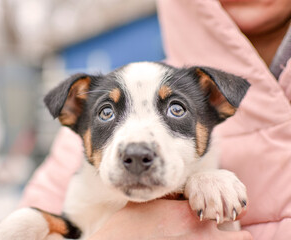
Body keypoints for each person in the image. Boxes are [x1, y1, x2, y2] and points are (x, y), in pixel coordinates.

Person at [20, 0, 291, 239]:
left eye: (176, 109)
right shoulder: (72, 150)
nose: (137, 149)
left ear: (216, 100)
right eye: (106, 113)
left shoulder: (202, 88)